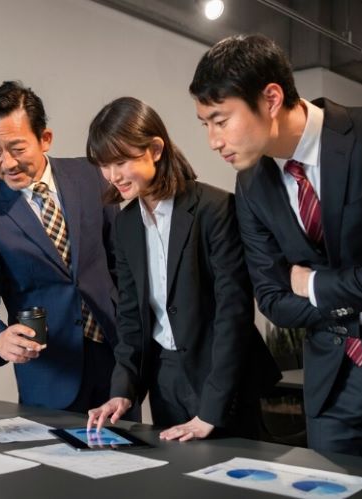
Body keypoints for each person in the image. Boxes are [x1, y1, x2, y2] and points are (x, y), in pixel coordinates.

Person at [189, 34, 362, 470]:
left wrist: (311, 283)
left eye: (220, 121)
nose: (213, 140)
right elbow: (274, 301)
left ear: (271, 99)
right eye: (205, 124)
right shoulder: (251, 185)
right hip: (332, 388)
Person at [85, 97, 280, 440]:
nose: (113, 176)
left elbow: (233, 314)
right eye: (104, 165)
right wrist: (122, 390)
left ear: (155, 149)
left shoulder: (216, 209)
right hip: (166, 378)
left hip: (224, 379)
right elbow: (131, 317)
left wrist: (211, 412)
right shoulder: (126, 224)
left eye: (120, 162)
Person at [0, 81, 119, 412]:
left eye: (17, 148)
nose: (7, 163)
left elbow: (122, 262)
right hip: (50, 376)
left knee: (128, 446)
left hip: (116, 362)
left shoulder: (92, 175)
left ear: (45, 138)